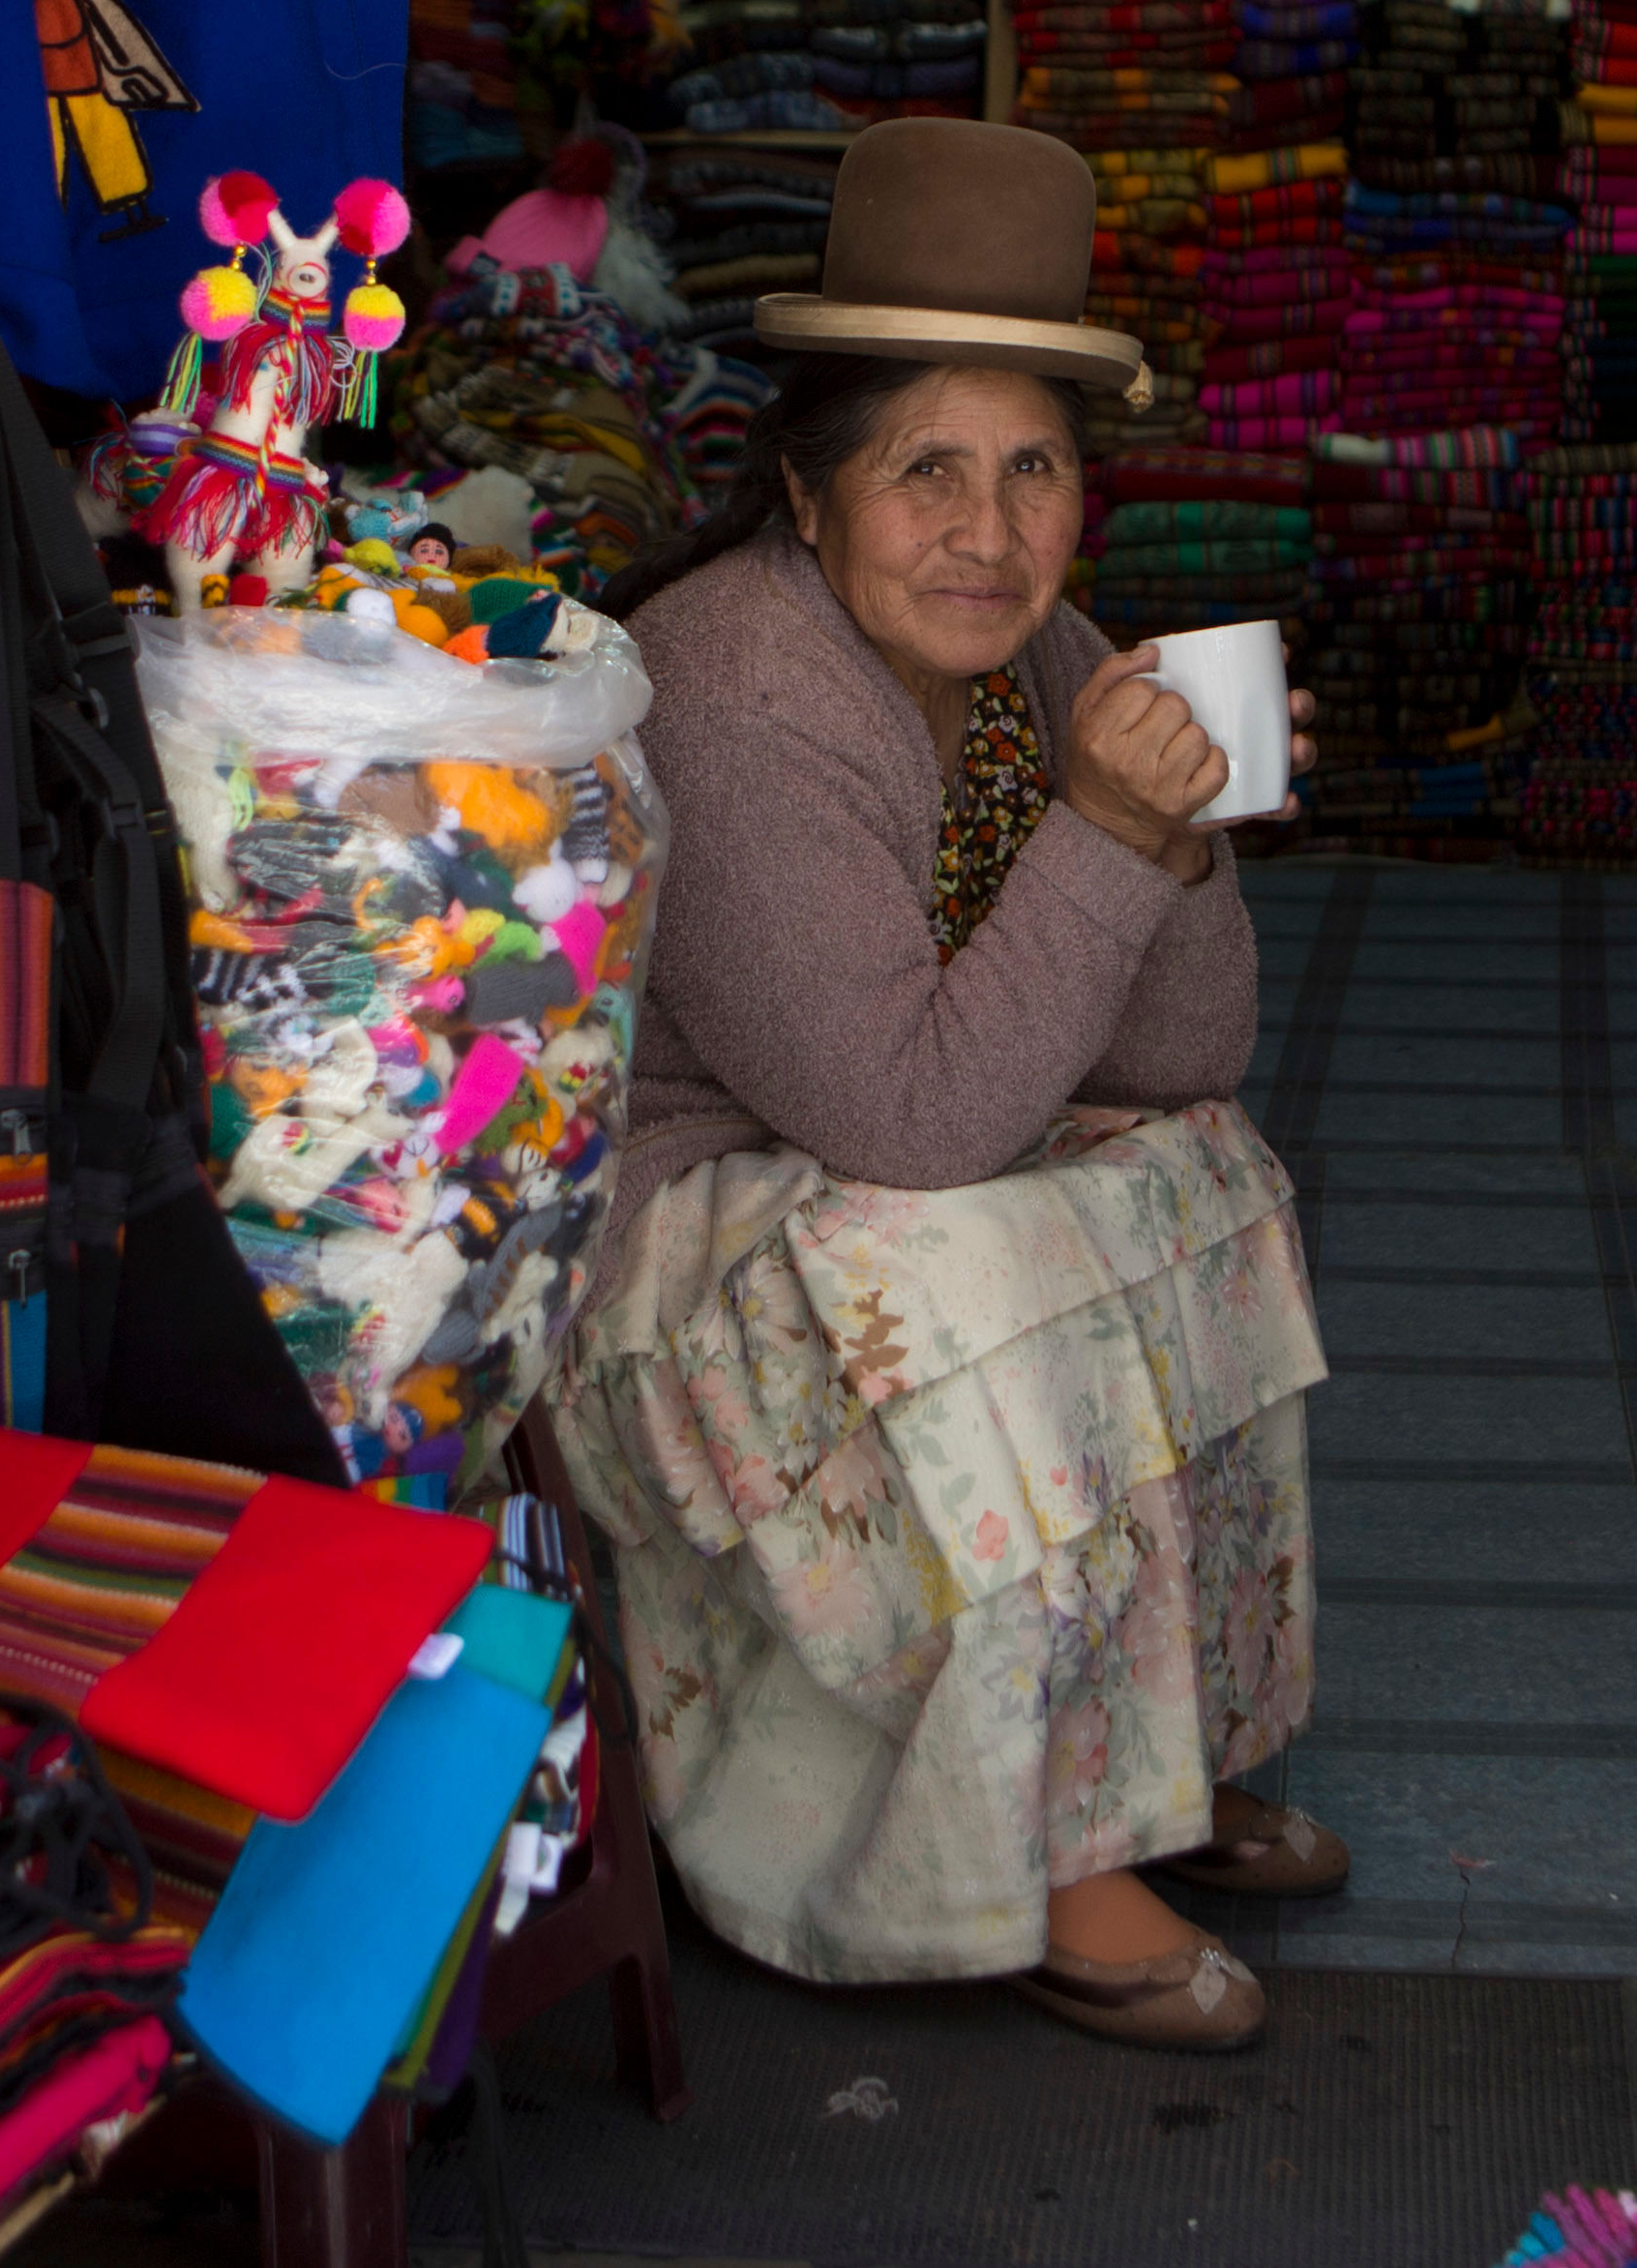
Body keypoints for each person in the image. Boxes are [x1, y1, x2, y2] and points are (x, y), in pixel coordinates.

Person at [540, 119, 1335, 2053]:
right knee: (963, 1257)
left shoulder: (1041, 659)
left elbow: (1179, 1054)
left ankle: (1155, 1752)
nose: (987, 528)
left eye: (1033, 468)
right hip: (665, 1256)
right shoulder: (735, 687)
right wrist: (1103, 829)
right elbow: (909, 1123)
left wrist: (1181, 825)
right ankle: (1043, 1838)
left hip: (865, 1155)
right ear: (808, 497)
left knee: (1199, 1172)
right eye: (927, 470)